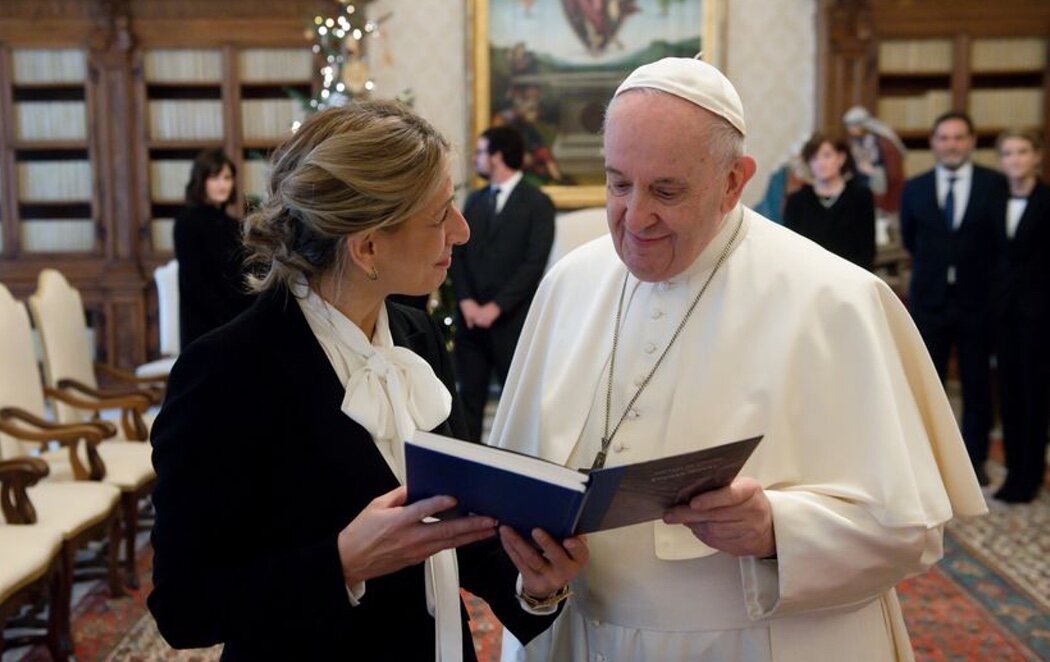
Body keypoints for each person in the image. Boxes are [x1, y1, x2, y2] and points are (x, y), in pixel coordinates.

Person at [493, 57, 986, 661]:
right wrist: (536, 578)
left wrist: (777, 530)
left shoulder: (836, 300)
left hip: (757, 644)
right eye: (618, 183)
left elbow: (912, 529)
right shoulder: (569, 285)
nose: (636, 216)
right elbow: (513, 491)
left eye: (666, 190)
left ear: (733, 181)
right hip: (583, 638)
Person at [148, 101, 588, 661]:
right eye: (440, 215)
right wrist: (342, 563)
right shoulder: (225, 372)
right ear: (368, 246)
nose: (462, 230)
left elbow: (452, 525)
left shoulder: (417, 335)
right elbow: (185, 608)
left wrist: (534, 584)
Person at [900, 111, 1008, 486]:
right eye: (944, 138)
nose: (951, 145)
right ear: (933, 143)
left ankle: (973, 462)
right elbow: (911, 239)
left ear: (972, 141)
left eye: (959, 138)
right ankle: (929, 465)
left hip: (977, 302)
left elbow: (999, 243)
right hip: (930, 302)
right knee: (929, 388)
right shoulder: (915, 187)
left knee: (978, 386)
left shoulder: (994, 185)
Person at [450, 126, 555, 442]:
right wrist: (467, 302)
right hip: (470, 324)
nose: (476, 159)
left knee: (517, 410)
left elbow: (533, 265)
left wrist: (495, 308)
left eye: (481, 152)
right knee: (467, 406)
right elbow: (458, 255)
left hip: (512, 323)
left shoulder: (537, 203)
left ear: (496, 157)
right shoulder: (475, 200)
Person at [991, 129, 1049, 503]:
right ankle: (1014, 473)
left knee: (1035, 396)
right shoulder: (993, 201)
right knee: (1008, 394)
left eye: (1022, 152)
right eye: (1007, 153)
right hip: (1002, 314)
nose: (1015, 159)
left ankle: (1030, 476)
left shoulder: (1047, 202)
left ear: (1037, 156)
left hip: (1040, 315)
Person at [173, 149, 254, 347]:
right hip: (205, 326)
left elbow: (241, 275)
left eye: (227, 178)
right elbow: (195, 283)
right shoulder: (187, 222)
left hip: (236, 320)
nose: (222, 184)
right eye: (214, 177)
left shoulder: (234, 224)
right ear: (201, 181)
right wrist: (232, 320)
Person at [784, 131, 876, 270]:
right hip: (808, 277)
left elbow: (867, 250)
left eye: (827, 156)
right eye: (814, 158)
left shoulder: (860, 197)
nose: (820, 163)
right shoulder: (797, 201)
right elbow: (790, 250)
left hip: (850, 279)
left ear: (841, 158)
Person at [843, 105, 906, 219]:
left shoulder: (881, 141)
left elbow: (891, 169)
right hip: (859, 179)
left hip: (877, 178)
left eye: (852, 125)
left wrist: (871, 169)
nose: (850, 129)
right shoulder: (854, 141)